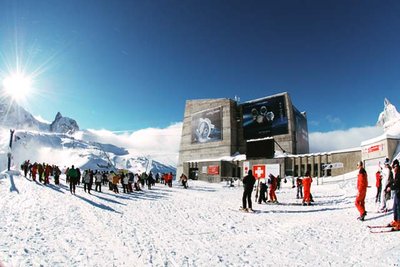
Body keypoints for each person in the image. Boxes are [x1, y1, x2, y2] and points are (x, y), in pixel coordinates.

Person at [386, 159, 400, 229]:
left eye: (394, 167)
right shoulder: (396, 172)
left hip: (399, 192)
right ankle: (396, 221)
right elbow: (394, 181)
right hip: (397, 192)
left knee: (398, 208)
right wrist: (389, 185)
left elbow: (397, 183)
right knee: (395, 207)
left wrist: (391, 188)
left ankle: (399, 223)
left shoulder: (399, 172)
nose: (393, 168)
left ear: (396, 166)